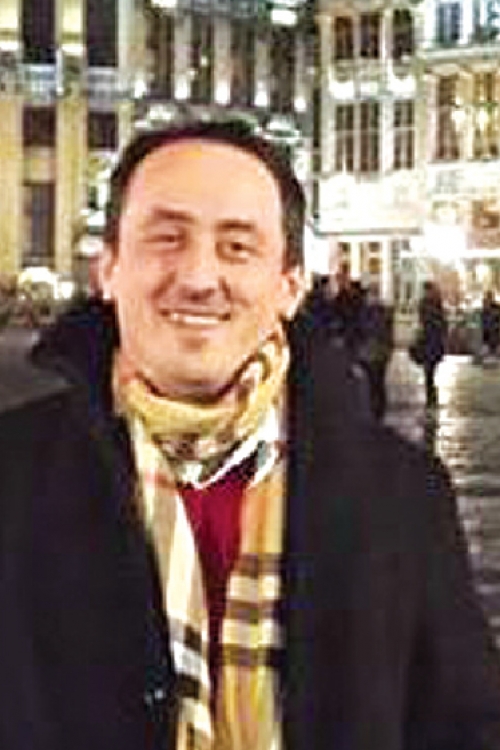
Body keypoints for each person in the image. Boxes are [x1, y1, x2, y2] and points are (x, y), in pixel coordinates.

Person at [0, 120, 499, 750]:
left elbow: (464, 724)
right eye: (167, 238)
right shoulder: (12, 475)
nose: (198, 277)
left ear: (290, 286)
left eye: (237, 247)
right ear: (110, 269)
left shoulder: (400, 491)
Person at [357, 283, 394, 421]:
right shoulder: (384, 311)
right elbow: (388, 334)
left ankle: (374, 410)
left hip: (370, 352)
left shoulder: (366, 312)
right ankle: (378, 410)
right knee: (378, 382)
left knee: (372, 382)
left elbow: (364, 329)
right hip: (379, 352)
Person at [416, 280, 448, 408]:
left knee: (430, 369)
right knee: (428, 369)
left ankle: (431, 394)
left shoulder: (434, 303)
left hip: (433, 340)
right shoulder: (426, 303)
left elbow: (441, 320)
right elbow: (428, 320)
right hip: (429, 341)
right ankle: (431, 395)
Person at [480, 289, 500, 358]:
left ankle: (495, 350)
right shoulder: (485, 305)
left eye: (490, 296)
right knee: (486, 337)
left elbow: (497, 315)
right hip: (487, 326)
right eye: (488, 296)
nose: (489, 298)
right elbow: (483, 316)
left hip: (494, 326)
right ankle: (486, 350)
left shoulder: (496, 306)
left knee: (495, 338)